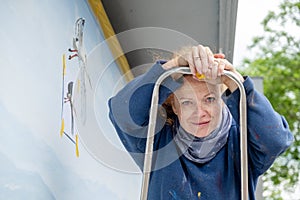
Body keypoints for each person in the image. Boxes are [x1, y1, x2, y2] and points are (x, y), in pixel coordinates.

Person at [108, 45, 293, 199]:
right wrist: (174, 66)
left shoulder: (241, 142)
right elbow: (121, 113)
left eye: (209, 99)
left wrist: (235, 81)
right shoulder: (157, 141)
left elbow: (275, 140)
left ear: (222, 100)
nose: (200, 113)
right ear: (175, 107)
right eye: (187, 103)